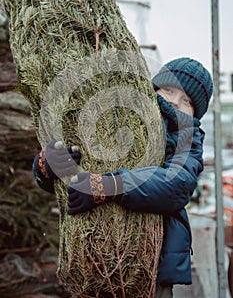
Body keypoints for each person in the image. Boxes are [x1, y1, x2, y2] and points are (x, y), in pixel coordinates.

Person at [32, 57, 213, 298]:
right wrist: (46, 167)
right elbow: (80, 165)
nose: (174, 102)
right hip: (94, 260)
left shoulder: (188, 140)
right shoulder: (122, 117)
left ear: (195, 113)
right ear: (155, 88)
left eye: (186, 101)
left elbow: (177, 184)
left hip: (151, 270)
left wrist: (112, 185)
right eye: (168, 90)